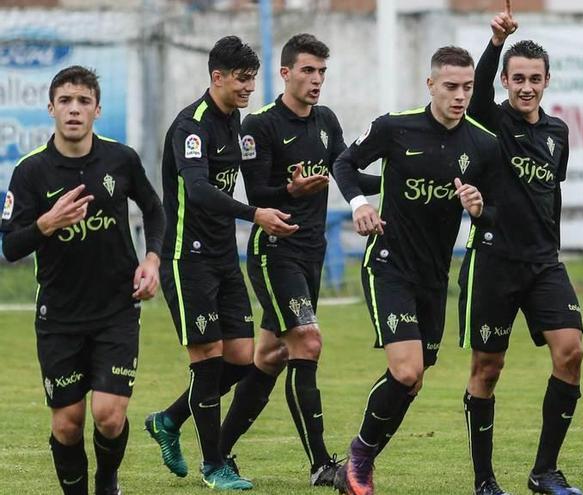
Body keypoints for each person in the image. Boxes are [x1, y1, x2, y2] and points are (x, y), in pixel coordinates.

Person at [331, 45, 499, 495]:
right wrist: (360, 203)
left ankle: (357, 462)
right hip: (388, 265)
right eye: (450, 87)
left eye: (467, 87)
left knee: (415, 377)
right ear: (430, 86)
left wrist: (480, 207)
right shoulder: (395, 128)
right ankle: (359, 458)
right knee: (406, 370)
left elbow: (496, 211)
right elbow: (343, 162)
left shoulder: (482, 144)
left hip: (433, 277)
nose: (460, 96)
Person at [218, 33, 379, 486]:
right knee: (307, 342)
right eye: (308, 70)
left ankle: (216, 449)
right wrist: (291, 190)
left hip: (311, 252)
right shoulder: (261, 125)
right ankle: (321, 465)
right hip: (274, 253)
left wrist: (399, 174)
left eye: (322, 72)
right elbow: (254, 194)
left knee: (269, 355)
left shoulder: (325, 120)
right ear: (285, 73)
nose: (316, 80)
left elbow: (345, 170)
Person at [0, 65, 165, 495]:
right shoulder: (30, 172)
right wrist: (47, 223)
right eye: (66, 101)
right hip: (59, 316)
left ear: (97, 110)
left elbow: (154, 209)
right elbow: (11, 247)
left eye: (83, 101)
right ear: (51, 108)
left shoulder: (120, 159)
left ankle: (107, 480)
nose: (74, 109)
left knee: (109, 416)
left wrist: (152, 260)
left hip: (116, 308)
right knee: (68, 425)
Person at [143, 35, 296, 490]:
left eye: (253, 78)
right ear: (217, 77)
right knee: (207, 360)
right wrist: (254, 215)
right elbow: (200, 191)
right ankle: (214, 466)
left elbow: (249, 182)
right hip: (185, 259)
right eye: (242, 79)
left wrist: (289, 190)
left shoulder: (236, 122)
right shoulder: (191, 127)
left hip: (222, 257)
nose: (250, 87)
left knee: (242, 359)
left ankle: (168, 420)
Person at [458, 11, 583, 495]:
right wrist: (495, 42)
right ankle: (485, 479)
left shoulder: (558, 133)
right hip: (493, 263)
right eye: (518, 79)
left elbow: (550, 195)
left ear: (547, 81)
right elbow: (481, 82)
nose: (526, 87)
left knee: (570, 352)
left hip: (544, 264)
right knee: (488, 368)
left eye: (535, 78)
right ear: (506, 81)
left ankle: (544, 471)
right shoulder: (491, 122)